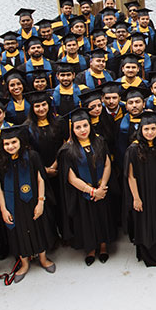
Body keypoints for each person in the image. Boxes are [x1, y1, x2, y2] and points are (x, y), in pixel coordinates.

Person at [0, 126, 56, 283]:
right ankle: (24, 263)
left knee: (37, 227)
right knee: (18, 232)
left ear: (20, 141)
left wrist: (41, 202)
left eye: (13, 142)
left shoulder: (32, 156)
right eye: (6, 144)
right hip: (13, 204)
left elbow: (41, 178)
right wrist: (3, 208)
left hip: (33, 200)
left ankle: (43, 259)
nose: (10, 146)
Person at [58, 108, 113, 265]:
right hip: (83, 194)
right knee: (86, 221)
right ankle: (90, 249)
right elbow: (71, 177)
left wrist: (102, 188)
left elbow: (108, 164)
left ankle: (103, 246)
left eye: (85, 126)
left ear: (90, 125)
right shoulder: (67, 150)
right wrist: (91, 191)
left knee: (103, 218)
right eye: (78, 127)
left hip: (102, 191)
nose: (82, 130)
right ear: (72, 129)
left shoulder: (100, 142)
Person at [126, 113, 156, 267]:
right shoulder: (133, 149)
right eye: (146, 129)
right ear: (141, 130)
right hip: (143, 192)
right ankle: (150, 256)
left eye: (153, 128)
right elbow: (131, 176)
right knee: (145, 223)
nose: (150, 132)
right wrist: (136, 198)